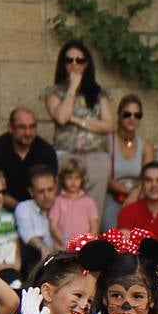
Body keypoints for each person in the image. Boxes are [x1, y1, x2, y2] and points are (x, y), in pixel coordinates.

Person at [43, 40, 115, 213]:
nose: (74, 64)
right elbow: (61, 117)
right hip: (67, 155)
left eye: (79, 60)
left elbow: (109, 125)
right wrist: (73, 88)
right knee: (66, 208)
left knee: (93, 210)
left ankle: (91, 241)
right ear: (63, 63)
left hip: (96, 155)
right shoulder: (54, 92)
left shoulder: (99, 93)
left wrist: (75, 119)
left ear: (87, 64)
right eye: (69, 60)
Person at [0, 108, 58, 211]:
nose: (28, 133)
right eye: (22, 127)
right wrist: (22, 209)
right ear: (10, 127)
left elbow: (51, 187)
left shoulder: (46, 151)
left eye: (32, 127)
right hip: (2, 206)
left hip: (39, 208)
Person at [105, 95, 155, 232]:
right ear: (119, 115)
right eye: (127, 114)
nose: (132, 119)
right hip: (113, 195)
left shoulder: (146, 145)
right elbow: (107, 179)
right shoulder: (108, 141)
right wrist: (129, 192)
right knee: (113, 229)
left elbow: (148, 177)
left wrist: (135, 194)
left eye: (137, 115)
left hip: (139, 194)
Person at [13, 165, 59, 275]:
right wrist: (42, 246)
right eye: (41, 191)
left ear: (56, 187)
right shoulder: (24, 208)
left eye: (50, 189)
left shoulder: (64, 204)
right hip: (37, 261)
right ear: (31, 191)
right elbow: (27, 234)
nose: (47, 195)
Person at [50, 156, 100, 248]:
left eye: (76, 178)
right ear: (63, 179)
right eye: (69, 178)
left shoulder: (89, 202)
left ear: (82, 179)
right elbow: (53, 226)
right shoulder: (58, 201)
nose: (73, 181)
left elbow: (94, 227)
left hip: (84, 248)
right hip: (62, 247)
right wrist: (64, 243)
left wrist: (87, 243)